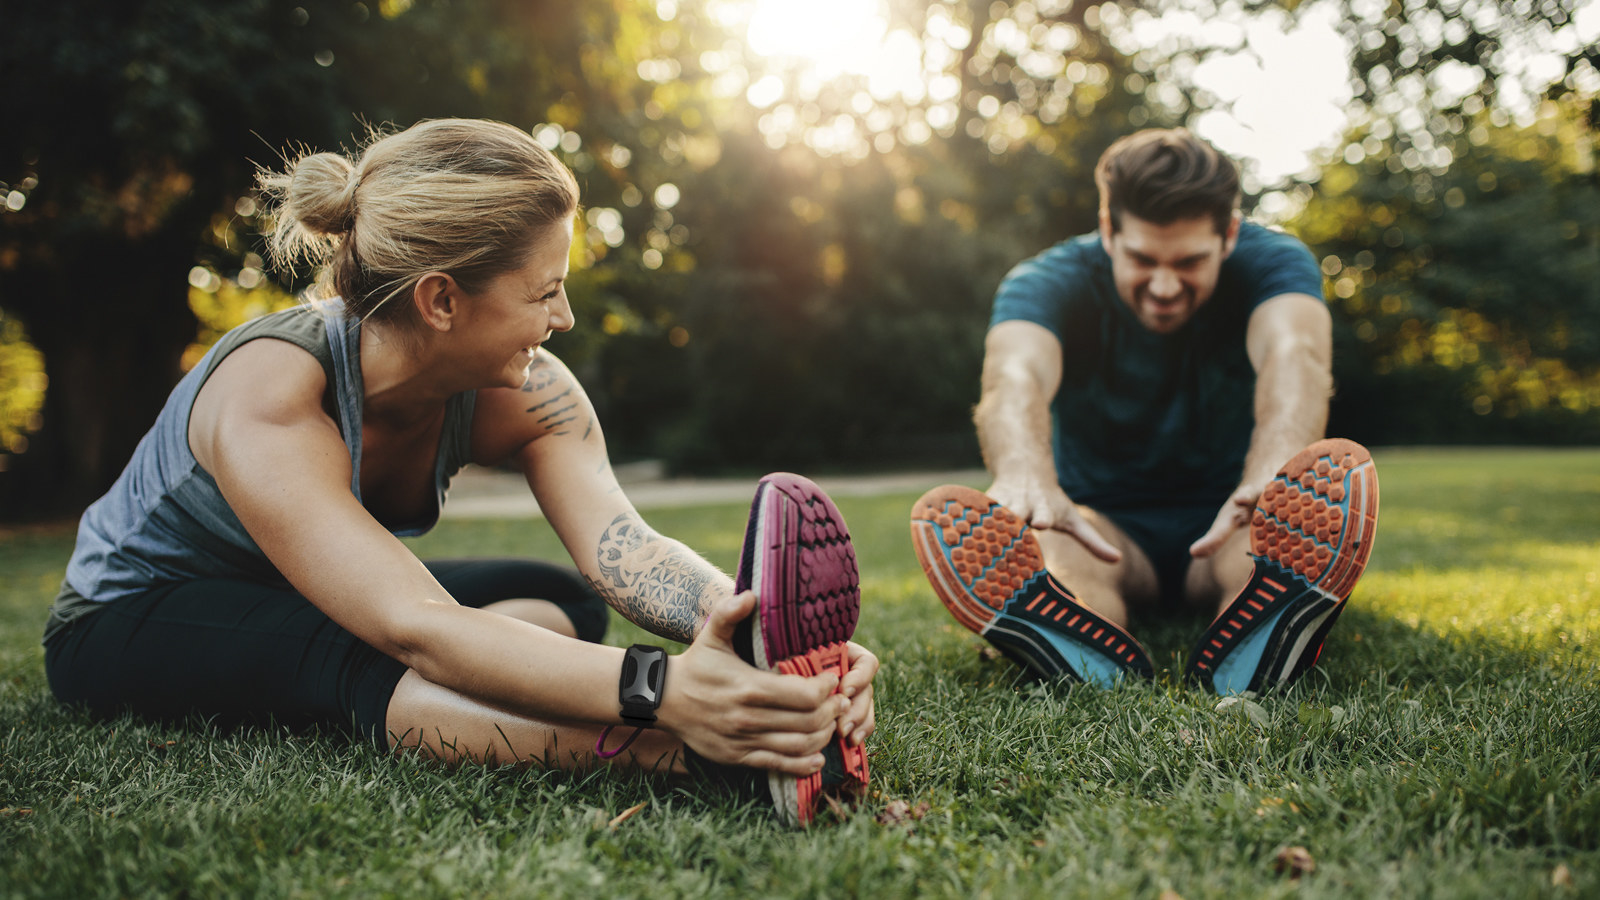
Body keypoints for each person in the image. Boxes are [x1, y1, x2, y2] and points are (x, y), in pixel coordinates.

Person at [42, 118, 874, 826]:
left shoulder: (527, 388)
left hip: (302, 594)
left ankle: (459, 692)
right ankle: (694, 760)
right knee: (373, 653)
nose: (565, 317)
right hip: (132, 616)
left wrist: (761, 643)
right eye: (543, 292)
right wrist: (667, 694)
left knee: (567, 603)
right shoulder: (273, 391)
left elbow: (622, 545)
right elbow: (414, 623)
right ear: (442, 301)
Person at [910, 128, 1379, 695]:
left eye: (1188, 262)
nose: (1162, 285)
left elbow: (1293, 353)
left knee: (1263, 551)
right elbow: (1015, 374)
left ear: (1229, 234)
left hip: (1229, 517)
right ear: (1108, 231)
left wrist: (1274, 474)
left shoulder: (1274, 262)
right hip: (1104, 527)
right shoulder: (1045, 281)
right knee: (1058, 552)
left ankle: (1263, 636)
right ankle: (1085, 643)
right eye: (1141, 259)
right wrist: (1025, 475)